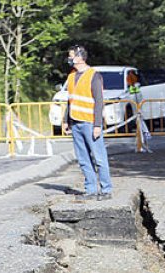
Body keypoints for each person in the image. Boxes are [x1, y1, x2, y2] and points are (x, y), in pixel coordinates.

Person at [62, 45, 112, 200]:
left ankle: (106, 190)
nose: (69, 58)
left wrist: (98, 125)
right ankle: (90, 190)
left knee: (99, 158)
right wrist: (65, 120)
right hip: (76, 123)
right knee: (83, 159)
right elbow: (70, 100)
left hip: (90, 123)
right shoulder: (71, 76)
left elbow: (99, 102)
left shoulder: (93, 75)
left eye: (71, 56)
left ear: (79, 57)